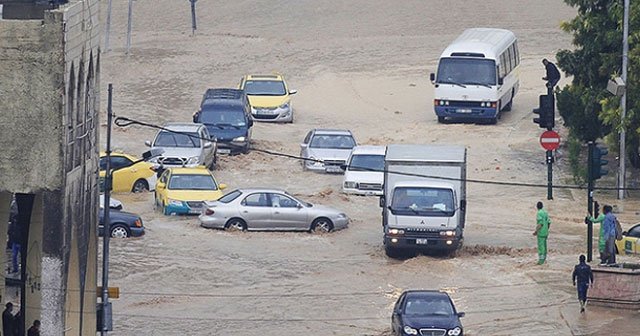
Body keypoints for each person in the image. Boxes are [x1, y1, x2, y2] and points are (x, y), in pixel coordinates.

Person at [8, 198, 21, 274]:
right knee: (14, 256)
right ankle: (16, 269)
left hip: (17, 241)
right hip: (15, 241)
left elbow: (10, 232)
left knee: (15, 256)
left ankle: (17, 269)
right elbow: (10, 232)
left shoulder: (15, 224)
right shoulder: (13, 224)